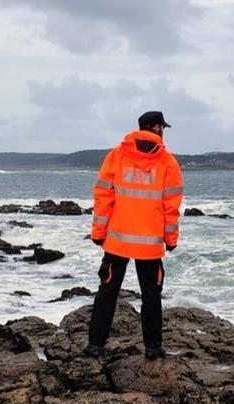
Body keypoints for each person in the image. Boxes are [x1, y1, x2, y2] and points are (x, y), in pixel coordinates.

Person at [84, 111, 183, 359]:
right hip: (149, 245)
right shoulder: (168, 162)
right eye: (163, 127)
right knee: (151, 295)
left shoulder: (116, 156)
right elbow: (171, 207)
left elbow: (103, 198)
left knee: (107, 291)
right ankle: (153, 348)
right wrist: (171, 240)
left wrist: (98, 233)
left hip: (117, 241)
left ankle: (95, 345)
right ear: (157, 127)